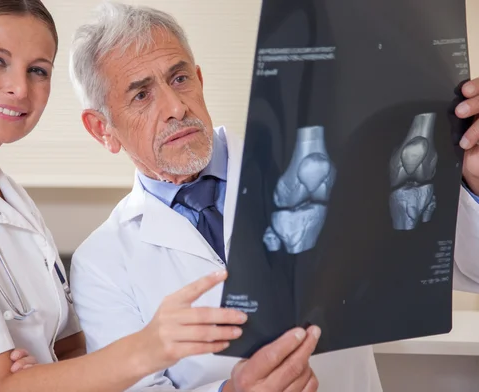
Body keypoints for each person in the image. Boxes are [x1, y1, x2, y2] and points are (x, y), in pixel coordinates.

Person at [69, 2, 479, 392]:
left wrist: (475, 181)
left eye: (179, 79)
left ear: (199, 78)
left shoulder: (339, 161)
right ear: (101, 129)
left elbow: (468, 272)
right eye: (141, 95)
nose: (176, 106)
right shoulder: (102, 263)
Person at [0, 1, 257, 391]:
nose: (19, 88)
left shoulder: (7, 198)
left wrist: (40, 372)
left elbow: (71, 350)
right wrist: (150, 346)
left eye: (37, 70)